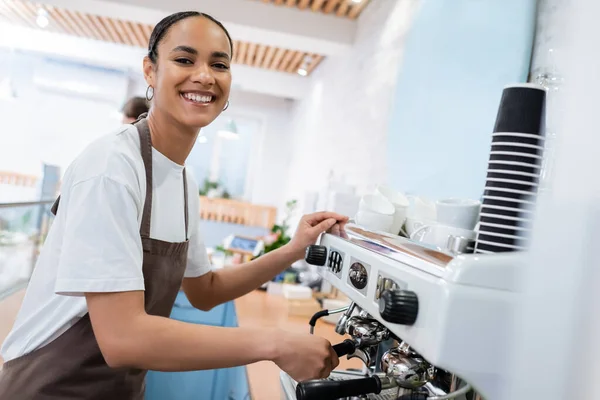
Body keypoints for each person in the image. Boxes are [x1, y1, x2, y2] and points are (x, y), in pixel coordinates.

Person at [0, 11, 348, 399]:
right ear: (150, 70)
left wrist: (293, 249)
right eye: (185, 60)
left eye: (219, 64)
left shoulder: (183, 180)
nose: (204, 75)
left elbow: (206, 290)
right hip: (50, 386)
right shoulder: (111, 168)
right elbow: (123, 337)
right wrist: (275, 344)